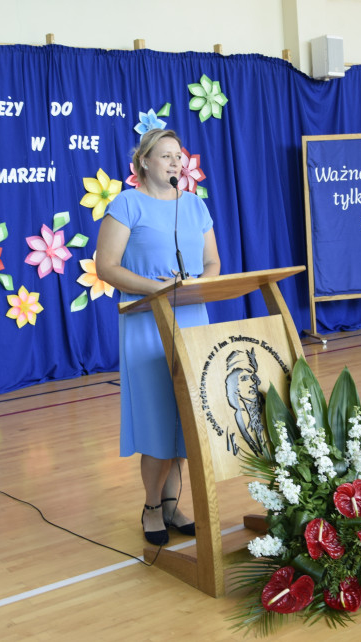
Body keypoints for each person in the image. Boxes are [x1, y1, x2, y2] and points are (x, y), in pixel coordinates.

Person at [95, 128, 221, 546]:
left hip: (191, 318)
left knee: (186, 416)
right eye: (165, 156)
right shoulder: (126, 204)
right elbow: (107, 267)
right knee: (157, 420)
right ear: (144, 162)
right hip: (148, 322)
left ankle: (172, 505)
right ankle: (151, 507)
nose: (175, 163)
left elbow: (212, 262)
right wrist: (157, 288)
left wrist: (198, 282)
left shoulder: (195, 206)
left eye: (179, 157)